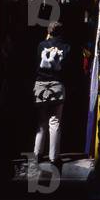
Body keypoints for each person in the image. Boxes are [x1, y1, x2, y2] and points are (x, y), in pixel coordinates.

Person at [33, 21, 70, 168]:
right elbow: (67, 67)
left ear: (48, 31)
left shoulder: (41, 45)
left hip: (40, 84)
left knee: (41, 122)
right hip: (56, 85)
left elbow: (36, 62)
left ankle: (37, 153)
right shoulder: (66, 47)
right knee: (54, 121)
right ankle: (54, 157)